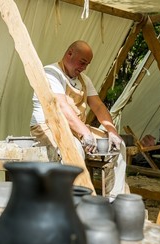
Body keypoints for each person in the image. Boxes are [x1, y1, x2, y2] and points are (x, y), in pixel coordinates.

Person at [30, 40, 130, 199]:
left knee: (119, 145)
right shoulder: (51, 73)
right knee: (74, 148)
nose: (83, 68)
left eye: (87, 64)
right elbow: (61, 106)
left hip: (75, 128)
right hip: (48, 127)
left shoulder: (84, 80)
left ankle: (116, 200)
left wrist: (112, 131)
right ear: (69, 54)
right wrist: (85, 133)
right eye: (82, 62)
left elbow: (98, 106)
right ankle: (77, 202)